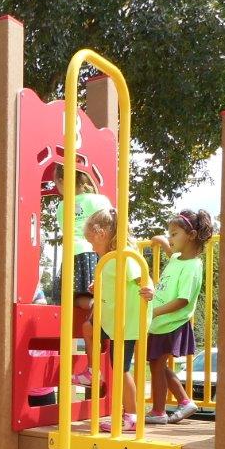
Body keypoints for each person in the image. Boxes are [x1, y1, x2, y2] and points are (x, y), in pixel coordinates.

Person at [83, 208, 154, 433]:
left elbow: (143, 277)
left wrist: (149, 289)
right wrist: (98, 287)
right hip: (111, 319)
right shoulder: (108, 260)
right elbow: (116, 284)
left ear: (101, 233)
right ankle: (92, 371)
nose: (91, 247)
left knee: (121, 370)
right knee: (88, 327)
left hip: (125, 323)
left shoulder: (124, 256)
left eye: (92, 241)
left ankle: (131, 416)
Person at [140, 209, 214, 424]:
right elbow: (167, 249)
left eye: (175, 234)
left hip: (172, 322)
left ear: (190, 236)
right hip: (160, 322)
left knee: (157, 364)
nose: (170, 238)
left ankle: (160, 411)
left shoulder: (193, 266)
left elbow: (183, 300)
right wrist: (162, 240)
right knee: (157, 364)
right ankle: (183, 402)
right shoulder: (176, 258)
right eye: (170, 234)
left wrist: (155, 310)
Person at [50, 163, 112, 383]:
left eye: (56, 182)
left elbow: (67, 230)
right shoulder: (100, 200)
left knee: (73, 298)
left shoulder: (63, 205)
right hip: (97, 254)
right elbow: (110, 221)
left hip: (74, 254)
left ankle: (96, 306)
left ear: (63, 181)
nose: (56, 187)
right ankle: (98, 305)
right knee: (85, 296)